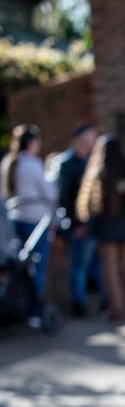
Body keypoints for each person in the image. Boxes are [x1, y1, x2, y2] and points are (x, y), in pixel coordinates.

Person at [76, 135, 125, 323]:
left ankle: (118, 309)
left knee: (111, 271)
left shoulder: (99, 174)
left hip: (107, 228)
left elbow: (90, 206)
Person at [1, 123, 57, 325]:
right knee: (36, 266)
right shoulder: (33, 165)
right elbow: (50, 193)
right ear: (32, 143)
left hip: (15, 220)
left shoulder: (8, 162)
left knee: (19, 266)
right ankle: (35, 309)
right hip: (35, 221)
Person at [56, 124, 101, 316]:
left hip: (92, 222)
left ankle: (100, 302)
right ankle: (79, 304)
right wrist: (77, 223)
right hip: (79, 224)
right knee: (80, 265)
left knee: (94, 264)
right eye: (90, 137)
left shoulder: (90, 161)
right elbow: (65, 196)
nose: (92, 142)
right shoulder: (67, 163)